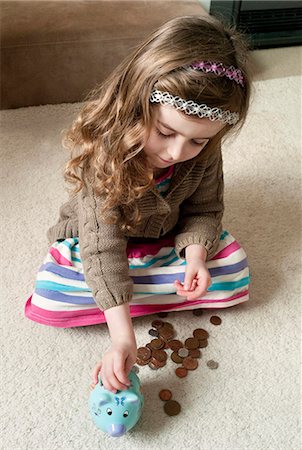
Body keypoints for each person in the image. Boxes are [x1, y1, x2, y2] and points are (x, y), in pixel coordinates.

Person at [25, 15, 253, 394]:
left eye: (197, 141)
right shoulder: (106, 152)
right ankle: (128, 303)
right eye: (165, 132)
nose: (177, 153)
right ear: (137, 105)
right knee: (52, 294)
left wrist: (195, 258)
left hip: (166, 237)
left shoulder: (203, 152)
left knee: (234, 267)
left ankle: (138, 294)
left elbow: (205, 211)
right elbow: (102, 249)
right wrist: (123, 338)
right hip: (98, 244)